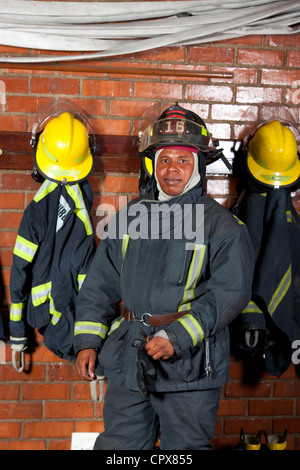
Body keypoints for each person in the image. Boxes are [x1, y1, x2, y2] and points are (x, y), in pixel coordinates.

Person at [75, 104, 254, 450]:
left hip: (189, 370)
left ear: (198, 166)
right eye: (165, 160)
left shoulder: (222, 227)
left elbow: (231, 292)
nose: (172, 169)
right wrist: (87, 341)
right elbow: (100, 284)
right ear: (153, 165)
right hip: (130, 358)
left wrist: (179, 335)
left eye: (183, 160)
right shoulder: (130, 218)